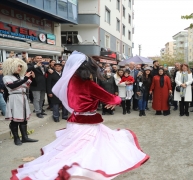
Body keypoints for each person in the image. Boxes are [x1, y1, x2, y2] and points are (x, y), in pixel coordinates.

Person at [11, 51, 149, 179]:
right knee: (85, 151)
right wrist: (117, 100)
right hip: (87, 122)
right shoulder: (88, 84)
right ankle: (75, 170)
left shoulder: (70, 81)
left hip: (74, 120)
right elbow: (112, 99)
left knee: (74, 148)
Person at [3, 58, 38, 146]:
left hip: (23, 96)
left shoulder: (22, 76)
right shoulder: (6, 77)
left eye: (20, 66)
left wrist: (33, 77)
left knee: (24, 119)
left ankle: (25, 137)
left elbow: (33, 85)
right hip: (14, 98)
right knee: (15, 120)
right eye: (17, 66)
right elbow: (12, 86)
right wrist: (25, 78)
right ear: (11, 66)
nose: (19, 68)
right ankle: (16, 138)